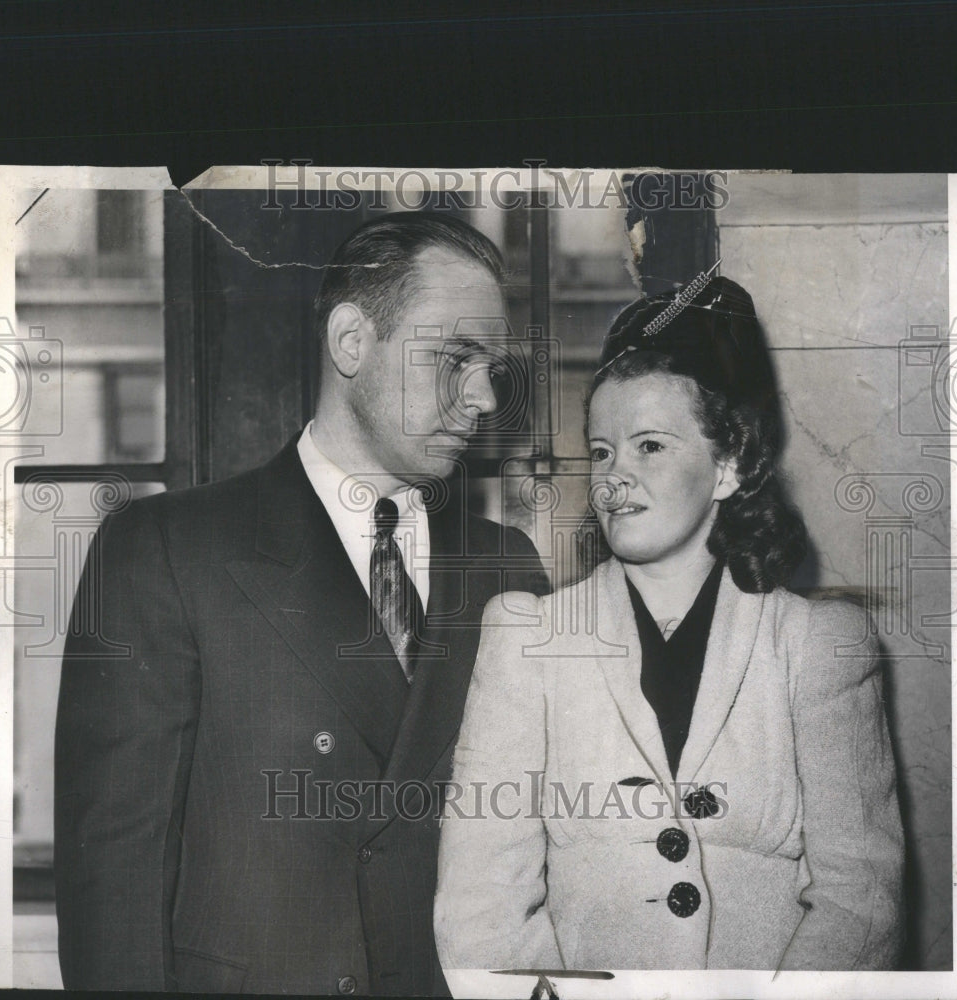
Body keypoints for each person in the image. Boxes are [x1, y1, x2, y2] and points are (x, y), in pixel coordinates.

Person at [54, 211, 548, 995]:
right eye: (457, 358)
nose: (485, 397)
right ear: (352, 342)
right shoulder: (165, 551)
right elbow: (113, 880)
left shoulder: (508, 569)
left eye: (492, 367)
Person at [434, 273, 905, 972]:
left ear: (729, 464)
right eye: (601, 451)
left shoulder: (816, 648)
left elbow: (860, 902)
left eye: (649, 446)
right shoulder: (528, 638)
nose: (614, 476)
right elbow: (480, 910)